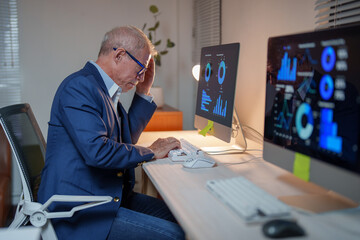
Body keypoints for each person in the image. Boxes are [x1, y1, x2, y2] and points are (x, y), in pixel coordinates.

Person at [37, 26, 185, 240]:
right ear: (119, 55)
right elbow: (98, 151)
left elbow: (124, 140)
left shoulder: (103, 89)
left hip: (106, 197)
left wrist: (143, 92)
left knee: (179, 219)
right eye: (140, 69)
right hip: (79, 210)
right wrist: (151, 151)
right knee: (173, 235)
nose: (141, 76)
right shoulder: (80, 87)